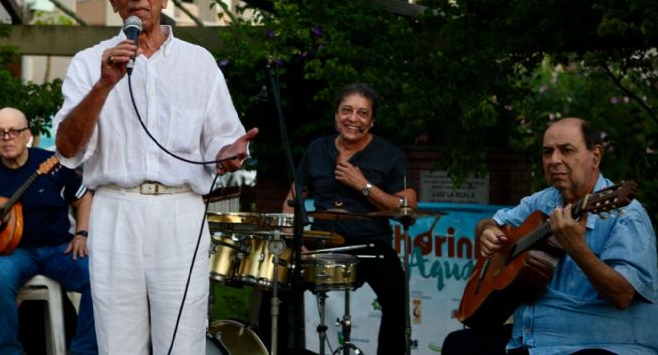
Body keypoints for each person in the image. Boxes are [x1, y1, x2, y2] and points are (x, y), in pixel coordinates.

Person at [53, 0, 258, 354]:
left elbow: (222, 139)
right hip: (115, 210)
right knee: (118, 343)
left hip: (180, 213)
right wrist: (103, 84)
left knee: (182, 342)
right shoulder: (88, 62)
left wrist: (228, 153)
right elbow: (67, 150)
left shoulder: (198, 62)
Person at [442, 117, 658, 355]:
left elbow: (623, 295)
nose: (554, 160)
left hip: (601, 344)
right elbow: (493, 222)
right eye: (547, 152)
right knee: (459, 344)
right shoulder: (542, 202)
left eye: (566, 150)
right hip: (533, 341)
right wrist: (486, 231)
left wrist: (578, 249)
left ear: (595, 156)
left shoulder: (626, 215)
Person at [276, 82, 416, 355]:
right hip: (321, 242)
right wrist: (296, 243)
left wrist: (363, 185)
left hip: (370, 245)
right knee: (278, 292)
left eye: (362, 113)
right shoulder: (317, 149)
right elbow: (292, 201)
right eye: (347, 110)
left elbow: (407, 209)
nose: (353, 118)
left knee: (397, 301)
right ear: (336, 115)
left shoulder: (390, 155)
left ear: (372, 121)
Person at [0, 107, 98, 355]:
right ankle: (8, 351)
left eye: (13, 131)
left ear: (27, 134)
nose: (7, 138)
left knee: (99, 277)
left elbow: (83, 199)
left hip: (58, 248)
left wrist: (81, 233)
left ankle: (84, 350)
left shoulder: (52, 165)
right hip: (9, 253)